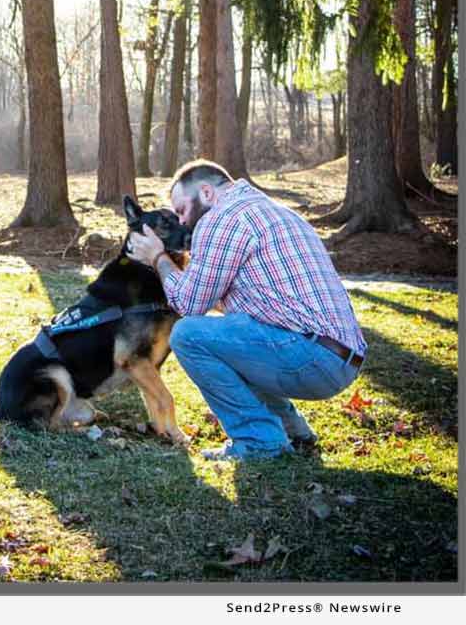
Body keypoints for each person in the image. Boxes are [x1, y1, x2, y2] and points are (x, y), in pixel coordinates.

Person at [127, 159, 367, 461]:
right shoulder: (274, 211)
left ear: (206, 193)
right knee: (233, 337)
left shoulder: (222, 219)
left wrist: (157, 257)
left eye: (181, 211)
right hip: (340, 358)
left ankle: (259, 441)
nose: (182, 222)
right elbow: (223, 294)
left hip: (311, 357)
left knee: (188, 335)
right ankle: (293, 431)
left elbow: (189, 305)